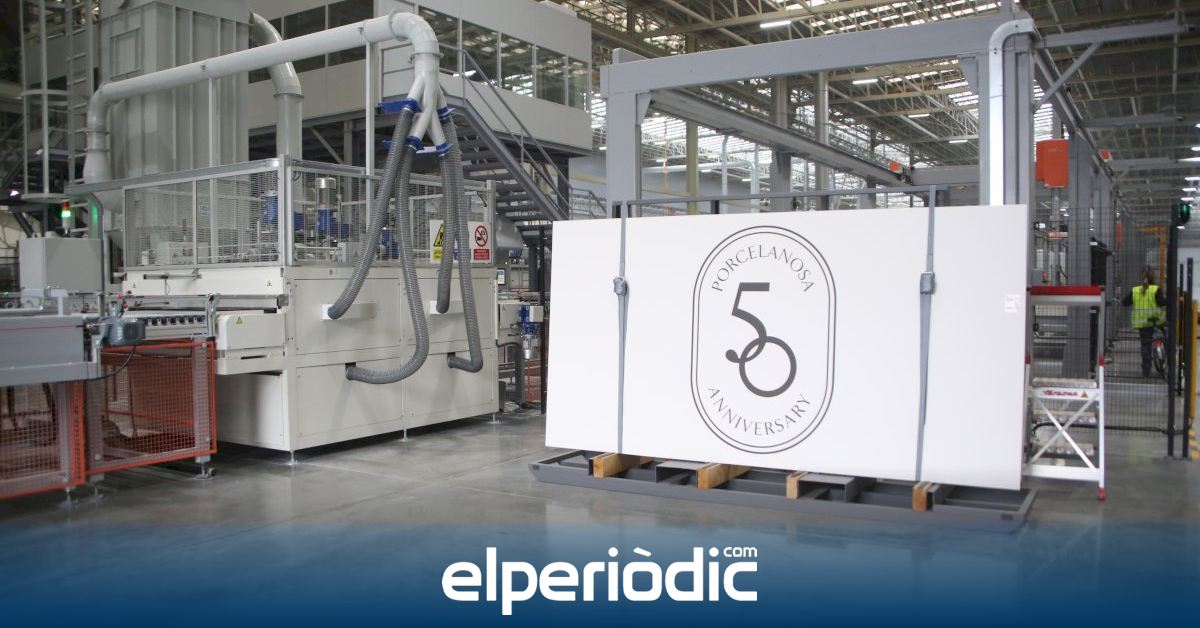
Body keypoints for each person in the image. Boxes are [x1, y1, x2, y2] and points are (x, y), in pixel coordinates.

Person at [1122, 270, 1167, 377]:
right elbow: (1162, 302)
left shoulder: (1136, 291)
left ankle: (1146, 370)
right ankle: (1164, 360)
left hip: (1143, 325)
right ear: (1153, 279)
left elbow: (1125, 302)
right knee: (1164, 339)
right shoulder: (1156, 290)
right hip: (1157, 322)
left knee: (1145, 346)